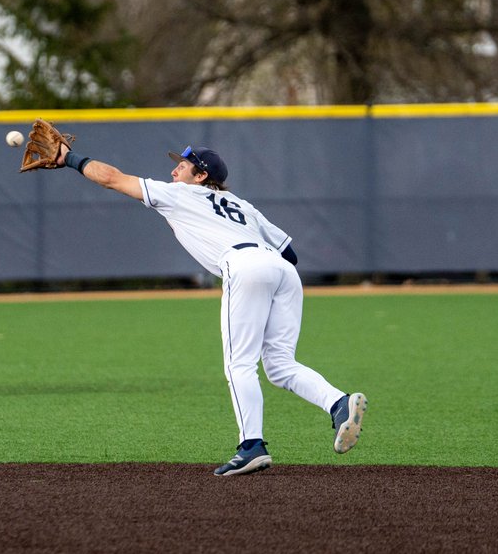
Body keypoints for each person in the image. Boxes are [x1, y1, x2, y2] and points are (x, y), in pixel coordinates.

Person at [57, 140, 367, 476]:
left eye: (184, 166)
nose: (175, 169)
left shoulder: (177, 194)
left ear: (201, 176)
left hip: (243, 264)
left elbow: (112, 178)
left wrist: (69, 158)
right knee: (279, 365)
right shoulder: (242, 205)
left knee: (239, 363)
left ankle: (252, 446)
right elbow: (288, 253)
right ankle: (338, 403)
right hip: (282, 272)